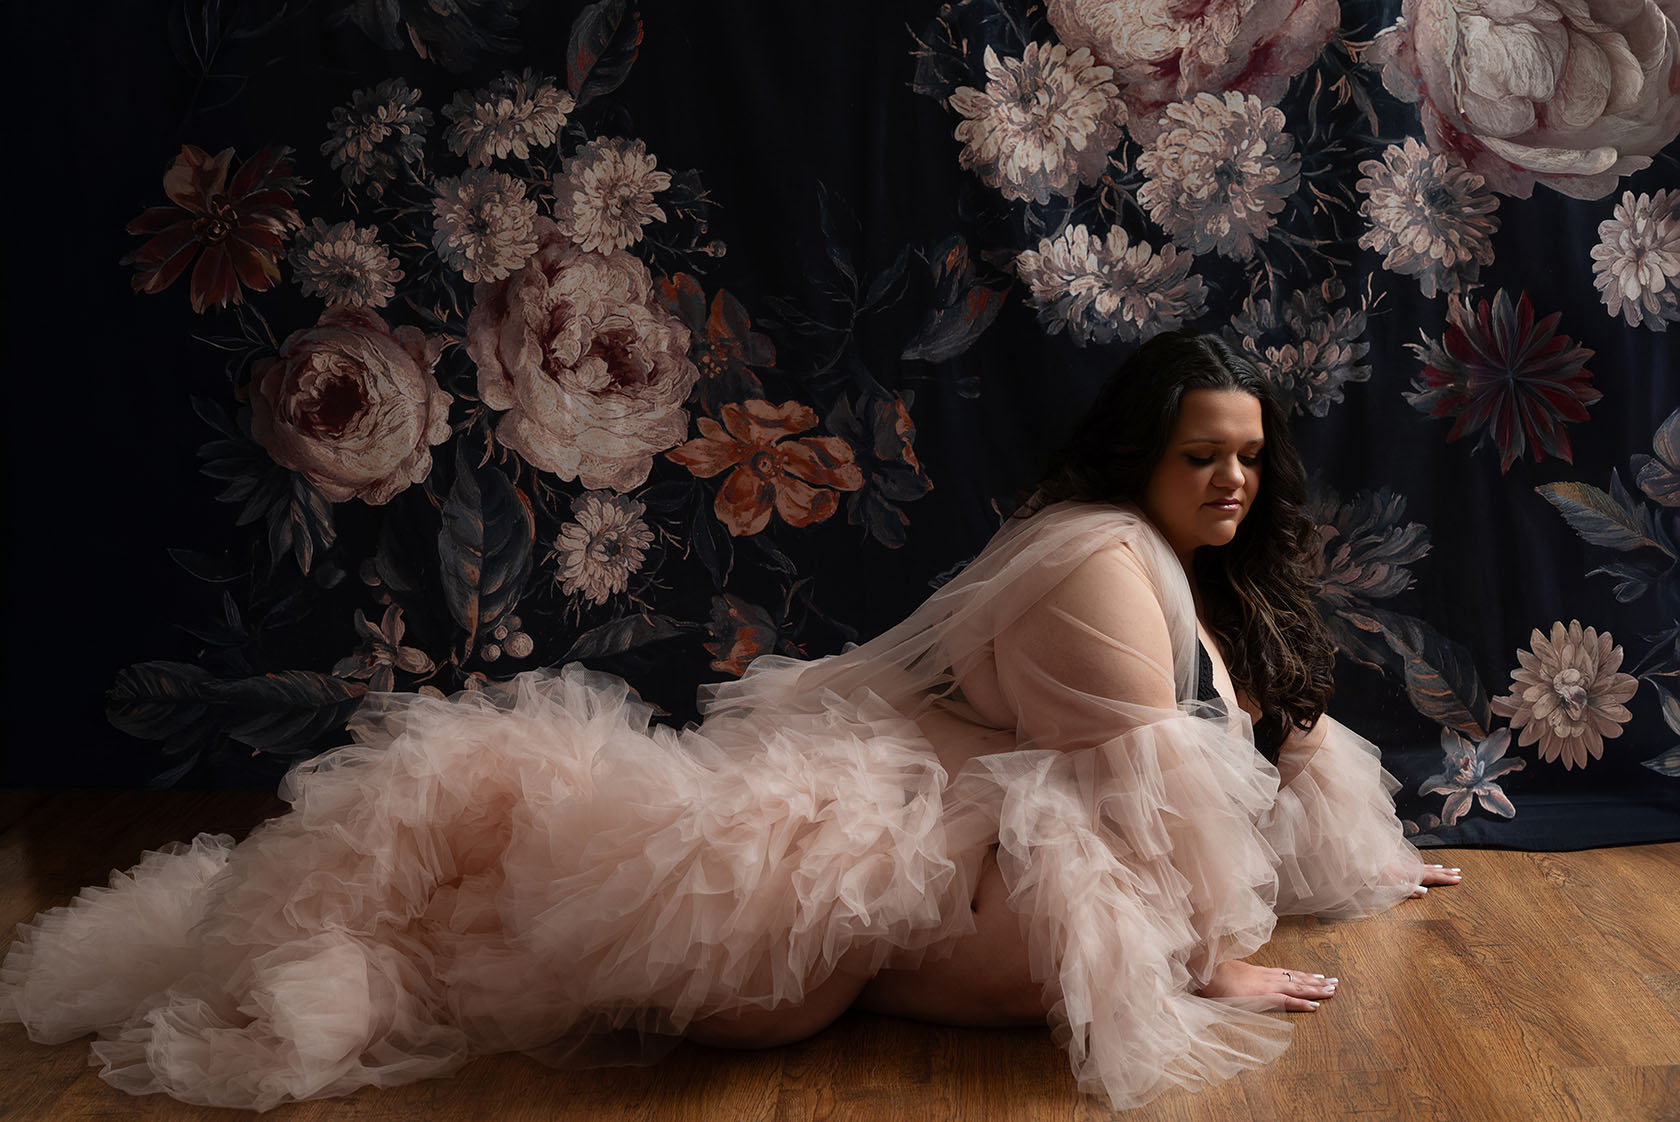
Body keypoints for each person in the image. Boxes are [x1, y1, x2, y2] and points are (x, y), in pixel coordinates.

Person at [0, 329, 1457, 1112]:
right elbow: (1157, 794)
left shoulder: (1194, 578)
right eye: (1204, 455)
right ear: (1143, 453)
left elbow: (1267, 752)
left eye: (1250, 458)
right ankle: (381, 930)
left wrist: (1370, 869)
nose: (1234, 483)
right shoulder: (1096, 557)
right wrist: (1213, 960)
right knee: (635, 953)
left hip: (932, 866)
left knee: (1001, 948)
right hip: (839, 850)